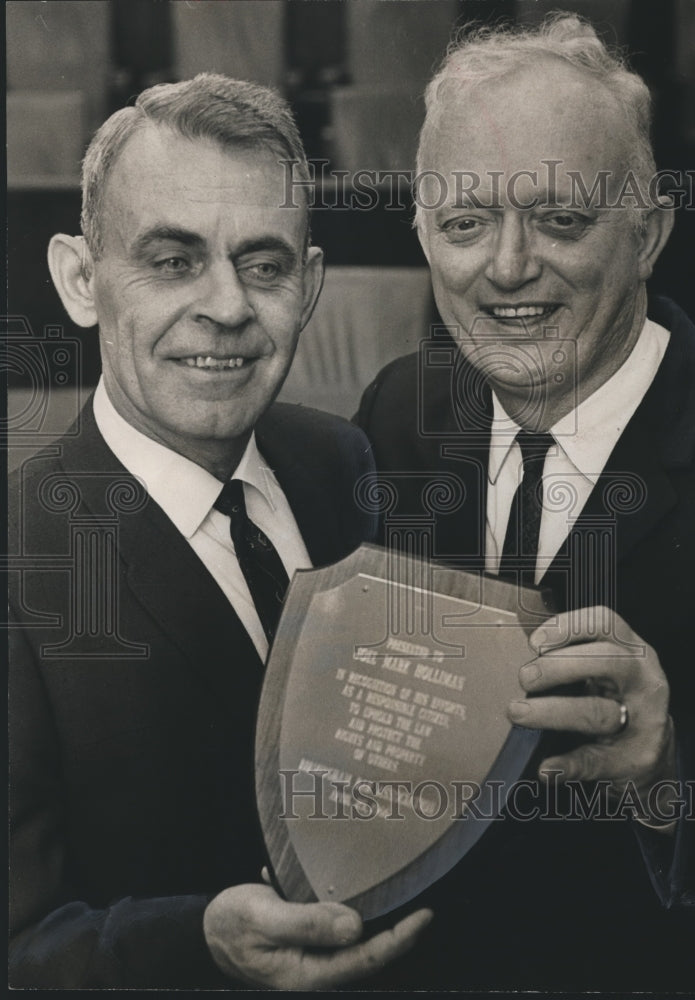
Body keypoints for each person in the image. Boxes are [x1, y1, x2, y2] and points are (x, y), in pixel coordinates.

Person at [8, 74, 432, 989]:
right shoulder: (18, 563)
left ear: (309, 285)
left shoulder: (342, 465)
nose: (229, 306)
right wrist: (197, 941)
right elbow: (16, 948)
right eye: (172, 261)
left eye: (265, 263)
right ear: (81, 281)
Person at [355, 15, 695, 991]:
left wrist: (676, 771)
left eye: (561, 220)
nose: (505, 266)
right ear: (420, 232)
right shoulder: (395, 414)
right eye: (463, 223)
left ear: (649, 230)